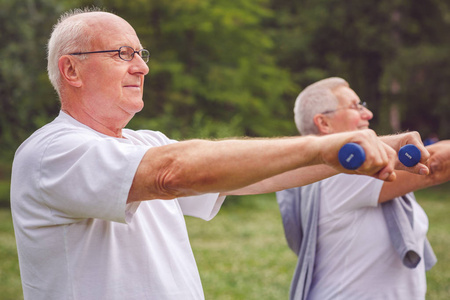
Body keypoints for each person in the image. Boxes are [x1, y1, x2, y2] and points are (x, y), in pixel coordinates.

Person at [10, 8, 427, 300]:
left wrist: (350, 150)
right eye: (122, 53)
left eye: (141, 54)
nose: (142, 67)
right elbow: (172, 172)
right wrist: (323, 145)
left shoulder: (144, 141)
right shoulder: (53, 152)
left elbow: (255, 175)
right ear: (71, 70)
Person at [276, 77, 450, 300]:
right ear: (324, 123)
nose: (367, 114)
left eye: (363, 105)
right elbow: (436, 165)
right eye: (354, 106)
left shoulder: (322, 174)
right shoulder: (343, 172)